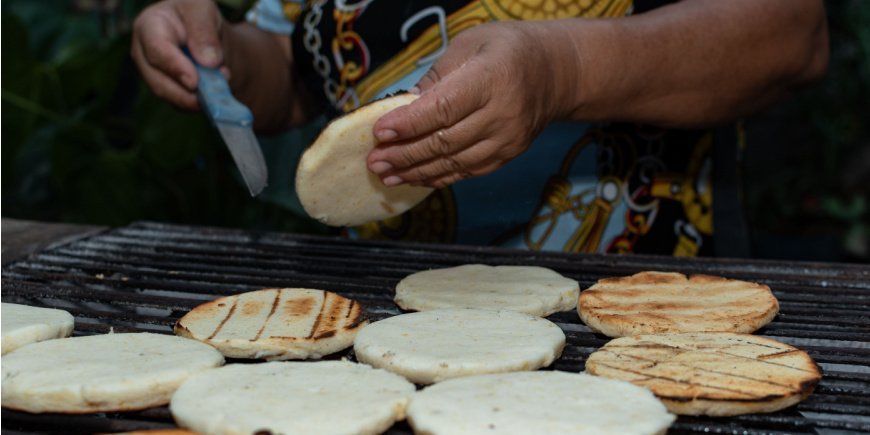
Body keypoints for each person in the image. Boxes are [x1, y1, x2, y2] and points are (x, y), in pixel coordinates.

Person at [131, 0, 828, 256]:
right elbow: (292, 67)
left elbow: (790, 32)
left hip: (641, 303)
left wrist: (564, 70)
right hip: (377, 308)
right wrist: (215, 48)